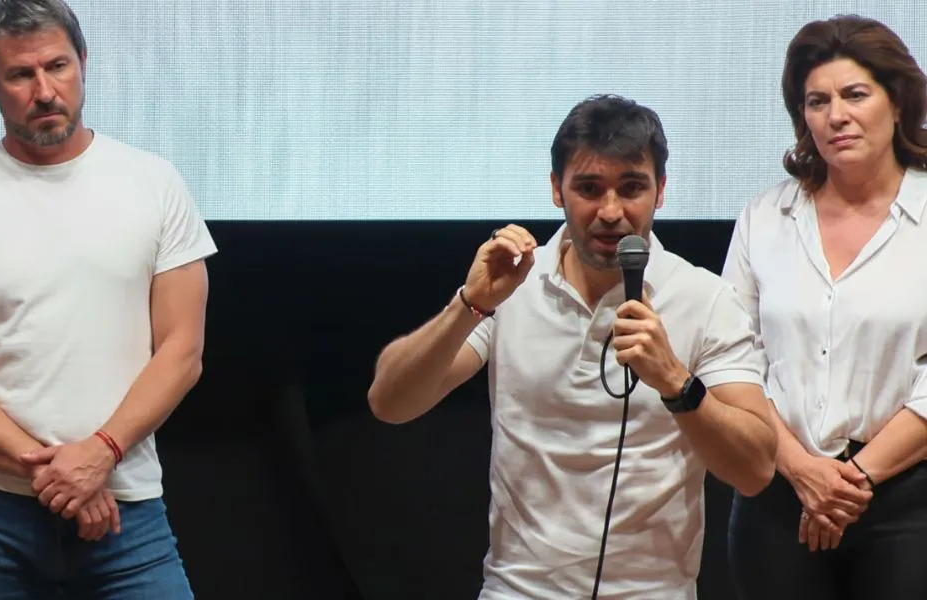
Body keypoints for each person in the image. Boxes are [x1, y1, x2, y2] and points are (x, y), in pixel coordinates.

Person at [367, 94, 777, 599]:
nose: (611, 212)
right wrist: (470, 304)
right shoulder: (514, 285)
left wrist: (676, 382)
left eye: (632, 188)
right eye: (589, 188)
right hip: (518, 590)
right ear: (556, 190)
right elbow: (389, 402)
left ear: (661, 192)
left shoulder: (704, 298)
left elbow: (755, 471)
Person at [0, 1, 216, 598]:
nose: (44, 91)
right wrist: (59, 475)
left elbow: (182, 351)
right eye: (19, 74)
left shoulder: (155, 184)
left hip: (125, 501)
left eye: (57, 66)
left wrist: (101, 453)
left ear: (83, 61)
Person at [723, 14, 927, 600]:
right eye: (817, 101)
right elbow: (731, 358)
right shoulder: (764, 217)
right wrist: (801, 469)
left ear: (897, 102)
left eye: (855, 95)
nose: (836, 115)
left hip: (907, 499)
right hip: (777, 493)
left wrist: (852, 480)